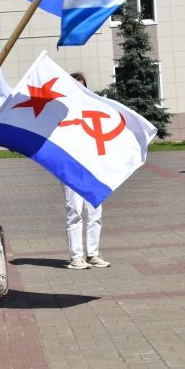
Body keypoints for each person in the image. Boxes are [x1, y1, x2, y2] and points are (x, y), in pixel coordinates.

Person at [64, 72, 110, 269]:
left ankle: (93, 253)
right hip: (71, 169)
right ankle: (76, 256)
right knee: (74, 211)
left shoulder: (92, 109)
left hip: (92, 168)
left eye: (82, 87)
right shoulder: (63, 112)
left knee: (94, 211)